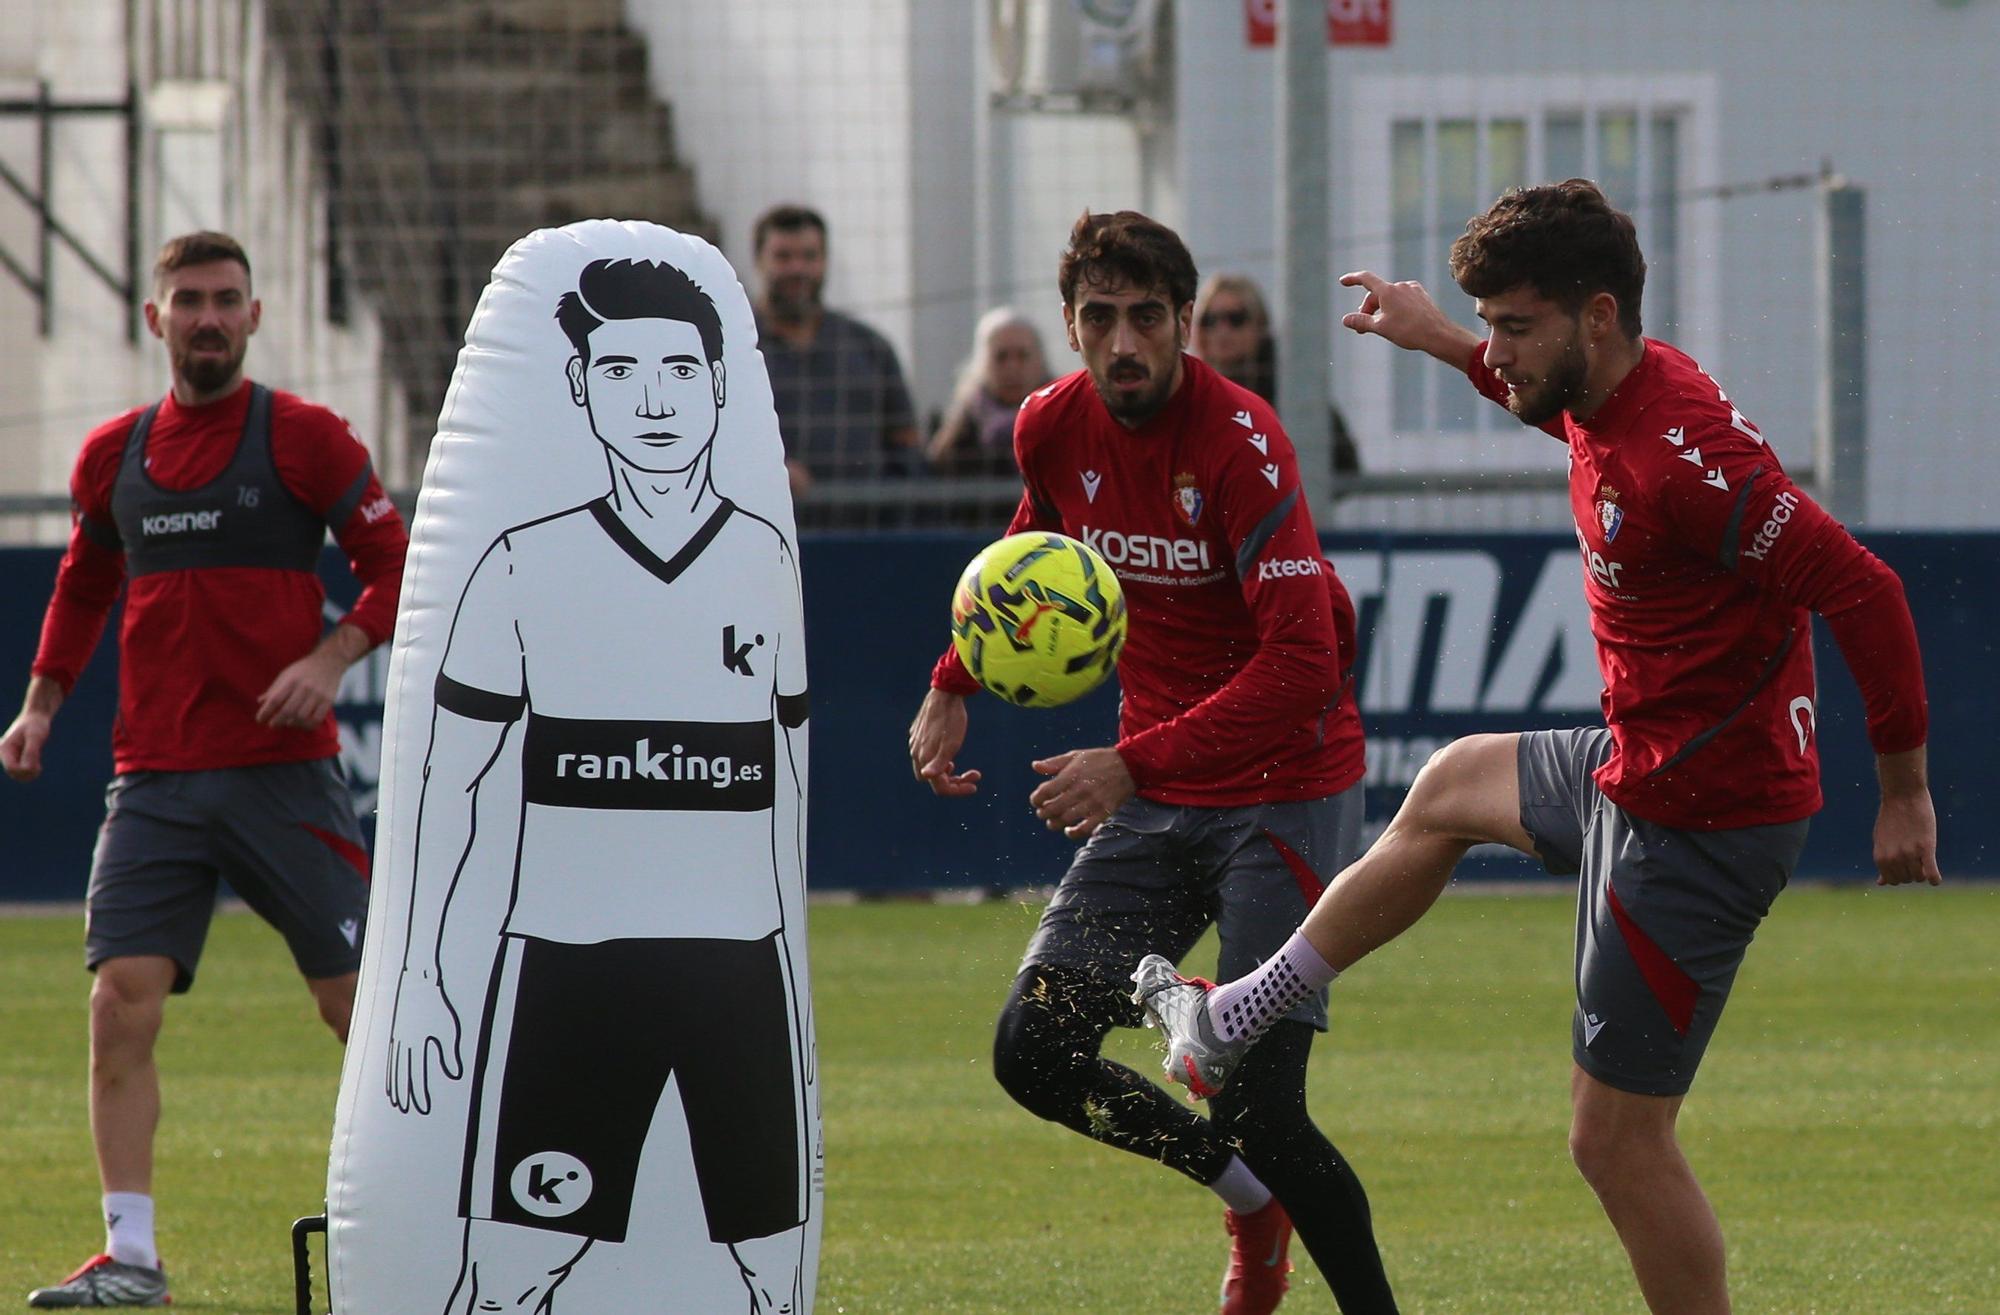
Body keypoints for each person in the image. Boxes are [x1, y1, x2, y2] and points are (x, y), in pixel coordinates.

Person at [1134, 179, 1940, 1315]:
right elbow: (1545, 402)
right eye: (1492, 326)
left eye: (1514, 327)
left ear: (1594, 315)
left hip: (1698, 821)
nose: (1497, 350)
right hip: (1640, 764)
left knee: (1614, 1142)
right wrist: (1438, 338)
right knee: (1451, 782)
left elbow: (1862, 588)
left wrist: (1902, 792)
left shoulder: (1680, 457)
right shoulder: (1605, 388)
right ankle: (1235, 1017)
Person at [909, 210, 1399, 1315]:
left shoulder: (1240, 443)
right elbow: (1031, 547)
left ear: (1186, 324)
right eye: (1098, 318)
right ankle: (1245, 1200)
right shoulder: (1048, 424)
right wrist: (953, 675)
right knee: (1032, 1050)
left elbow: (1301, 666)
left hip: (1283, 784)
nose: (1122, 342)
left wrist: (1129, 763)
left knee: (1263, 1104)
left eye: (1145, 318)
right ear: (1070, 328)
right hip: (1157, 781)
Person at [384, 256, 812, 1315]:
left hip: (737, 979)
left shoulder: (762, 558)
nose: (655, 399)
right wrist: (423, 978)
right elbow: (452, 783)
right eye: (619, 371)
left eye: (679, 368)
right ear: (580, 388)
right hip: (570, 977)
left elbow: (790, 780)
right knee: (508, 1279)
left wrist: (795, 993)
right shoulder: (520, 564)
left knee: (774, 1276)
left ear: (719, 383)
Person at [0, 231, 408, 1309]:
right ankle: (129, 1253)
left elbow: (396, 562)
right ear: (156, 320)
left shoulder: (305, 440)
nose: (209, 318)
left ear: (257, 316)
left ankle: (437, 1212)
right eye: (189, 301)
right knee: (118, 1004)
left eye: (227, 300)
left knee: (358, 1008)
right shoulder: (113, 457)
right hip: (157, 783)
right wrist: (41, 706)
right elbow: (84, 586)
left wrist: (330, 658)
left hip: (284, 774)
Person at [750, 203, 919, 518]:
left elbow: (906, 442)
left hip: (863, 534)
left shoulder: (869, 348)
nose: (798, 269)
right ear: (759, 261)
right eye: (783, 257)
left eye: (809, 256)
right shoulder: (731, 348)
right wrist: (762, 468)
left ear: (825, 262)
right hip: (764, 532)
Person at [1189, 273, 1361, 476]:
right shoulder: (1189, 389)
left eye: (1236, 319)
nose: (1222, 330)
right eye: (1210, 320)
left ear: (1259, 325)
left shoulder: (1288, 387)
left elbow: (1346, 465)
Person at [924, 305, 1050, 478]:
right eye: (1001, 357)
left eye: (1022, 355)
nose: (1012, 368)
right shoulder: (958, 433)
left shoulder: (1065, 415)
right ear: (983, 364)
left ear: (1039, 361)